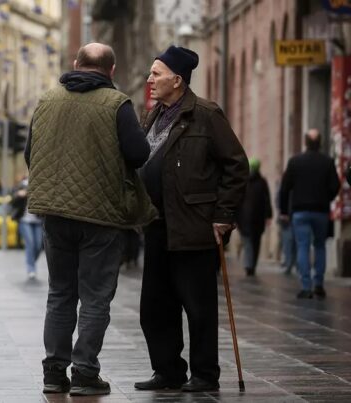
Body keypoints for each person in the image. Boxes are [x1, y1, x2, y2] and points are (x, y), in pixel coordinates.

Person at [25, 42, 156, 396]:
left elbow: (29, 154)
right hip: (101, 216)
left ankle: (54, 371)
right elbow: (139, 153)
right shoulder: (117, 104)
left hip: (55, 213)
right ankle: (84, 373)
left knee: (60, 293)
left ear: (75, 64)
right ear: (111, 71)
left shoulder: (47, 101)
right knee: (96, 296)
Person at [135, 46, 248, 393]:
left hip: (195, 225)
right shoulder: (152, 115)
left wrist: (224, 215)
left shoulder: (206, 114)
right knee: (155, 307)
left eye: (157, 73)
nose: (150, 80)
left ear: (178, 80)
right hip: (157, 225)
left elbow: (236, 166)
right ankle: (168, 370)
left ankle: (204, 374)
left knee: (198, 308)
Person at [278, 129, 340, 299]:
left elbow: (284, 188)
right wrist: (326, 198)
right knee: (320, 246)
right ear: (320, 143)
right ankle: (318, 284)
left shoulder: (295, 161)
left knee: (303, 246)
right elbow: (335, 186)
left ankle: (306, 287)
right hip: (320, 211)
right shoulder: (327, 162)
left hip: (300, 211)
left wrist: (284, 211)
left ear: (305, 142)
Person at [236, 158, 273, 276]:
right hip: (256, 218)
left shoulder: (243, 181)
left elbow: (237, 199)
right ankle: (251, 265)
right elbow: (267, 200)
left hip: (244, 218)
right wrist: (268, 215)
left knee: (248, 242)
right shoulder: (262, 182)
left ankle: (249, 265)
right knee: (254, 243)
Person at [10, 179, 43, 280]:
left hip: (37, 221)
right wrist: (19, 195)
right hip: (24, 221)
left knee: (38, 246)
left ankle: (31, 261)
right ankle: (31, 269)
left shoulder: (41, 183)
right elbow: (12, 203)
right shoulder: (23, 184)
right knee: (30, 244)